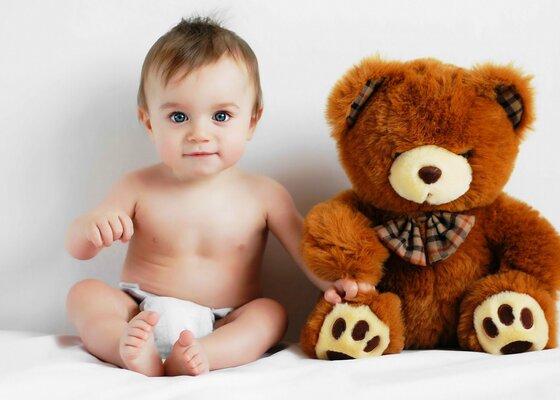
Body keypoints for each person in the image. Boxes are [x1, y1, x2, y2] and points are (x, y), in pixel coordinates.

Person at [65, 16, 371, 377]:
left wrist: (334, 284)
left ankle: (204, 354)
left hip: (224, 320)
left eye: (221, 116)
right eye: (178, 116)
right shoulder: (136, 186)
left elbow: (308, 252)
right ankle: (123, 346)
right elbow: (78, 248)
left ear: (252, 122)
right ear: (149, 123)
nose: (199, 133)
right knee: (84, 294)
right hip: (139, 311)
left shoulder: (265, 195)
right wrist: (91, 228)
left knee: (270, 313)